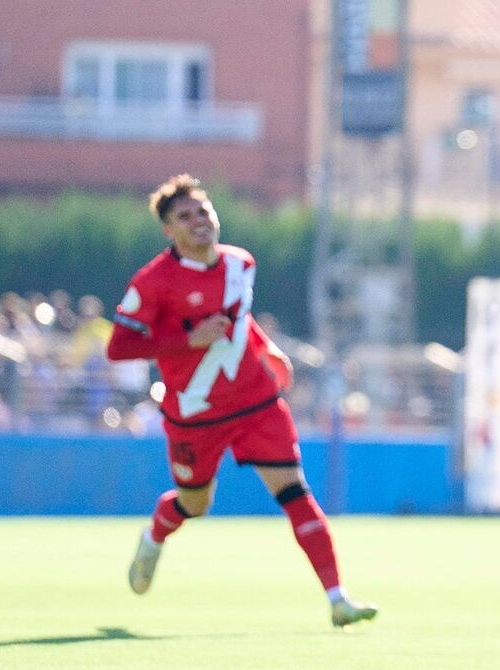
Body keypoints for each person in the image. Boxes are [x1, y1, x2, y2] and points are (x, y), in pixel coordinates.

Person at [105, 174, 376, 627]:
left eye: (203, 211)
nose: (199, 221)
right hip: (195, 413)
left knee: (295, 493)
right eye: (184, 216)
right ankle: (155, 535)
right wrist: (188, 338)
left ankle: (337, 599)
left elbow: (238, 318)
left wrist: (266, 348)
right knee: (195, 505)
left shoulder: (241, 263)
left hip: (256, 402)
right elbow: (120, 348)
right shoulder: (154, 281)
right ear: (168, 231)